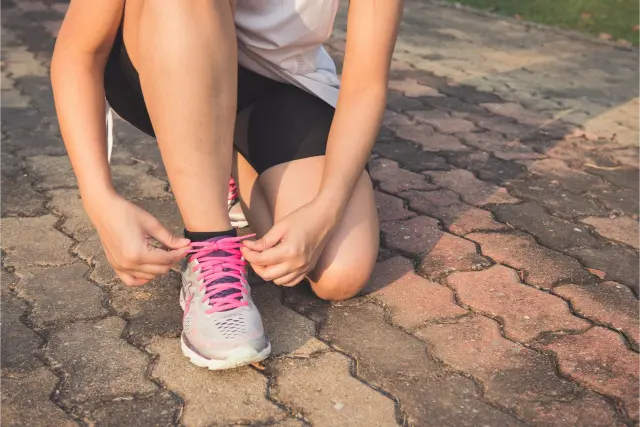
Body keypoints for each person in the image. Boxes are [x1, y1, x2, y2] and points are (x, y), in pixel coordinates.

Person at [51, 0, 403, 370]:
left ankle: (220, 162)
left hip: (281, 84)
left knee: (338, 272)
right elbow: (78, 52)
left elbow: (366, 85)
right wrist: (99, 198)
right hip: (166, 51)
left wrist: (326, 209)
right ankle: (210, 248)